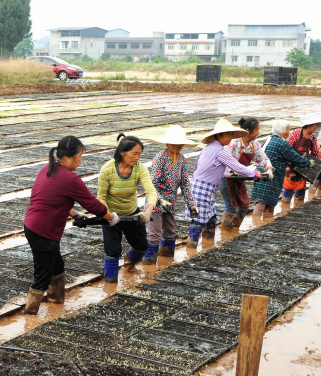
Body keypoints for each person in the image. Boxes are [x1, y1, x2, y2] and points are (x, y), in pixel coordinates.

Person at [22, 135, 114, 312]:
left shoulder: (47, 169)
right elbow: (93, 205)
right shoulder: (71, 179)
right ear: (69, 156)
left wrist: (73, 213)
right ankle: (29, 315)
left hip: (31, 226)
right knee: (42, 276)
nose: (80, 160)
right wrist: (112, 218)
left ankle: (56, 302)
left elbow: (49, 198)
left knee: (57, 266)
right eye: (80, 156)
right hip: (44, 232)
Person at [187, 118, 261, 249]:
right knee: (197, 222)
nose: (230, 137)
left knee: (211, 219)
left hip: (198, 187)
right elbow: (237, 166)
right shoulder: (221, 151)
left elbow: (199, 166)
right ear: (219, 135)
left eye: (231, 135)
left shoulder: (208, 148)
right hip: (203, 190)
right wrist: (254, 173)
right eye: (227, 134)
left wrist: (223, 174)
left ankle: (207, 247)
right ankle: (190, 251)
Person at [97, 134, 156, 283]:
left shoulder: (139, 168)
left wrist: (148, 211)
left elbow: (151, 190)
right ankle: (110, 285)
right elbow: (101, 197)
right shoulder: (107, 169)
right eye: (134, 153)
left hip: (131, 212)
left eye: (139, 154)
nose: (137, 157)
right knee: (112, 252)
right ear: (122, 152)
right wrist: (107, 215)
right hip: (111, 216)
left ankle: (129, 266)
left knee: (142, 246)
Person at [146, 125, 196, 262]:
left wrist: (191, 204)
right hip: (155, 201)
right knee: (155, 235)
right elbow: (152, 185)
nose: (177, 146)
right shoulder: (160, 158)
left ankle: (166, 263)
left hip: (171, 202)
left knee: (170, 233)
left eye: (180, 143)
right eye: (174, 142)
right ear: (168, 142)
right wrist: (161, 200)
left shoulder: (182, 159)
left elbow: (185, 183)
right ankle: (148, 267)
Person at [251, 119, 313, 216]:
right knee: (261, 205)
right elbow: (294, 157)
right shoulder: (282, 143)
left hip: (263, 173)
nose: (289, 132)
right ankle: (256, 224)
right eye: (288, 129)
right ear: (284, 131)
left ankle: (262, 224)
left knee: (265, 203)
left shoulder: (269, 139)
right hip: (271, 176)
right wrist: (308, 162)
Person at [222, 117, 273, 228]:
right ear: (249, 130)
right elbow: (224, 161)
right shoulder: (233, 143)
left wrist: (268, 169)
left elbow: (262, 158)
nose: (258, 133)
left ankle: (234, 231)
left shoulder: (254, 145)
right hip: (226, 178)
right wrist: (230, 174)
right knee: (230, 207)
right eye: (257, 130)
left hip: (239, 178)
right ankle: (225, 232)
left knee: (244, 206)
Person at [282, 120, 321, 202]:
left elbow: (315, 151)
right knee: (288, 189)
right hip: (291, 165)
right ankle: (285, 207)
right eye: (315, 125)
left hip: (303, 166)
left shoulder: (312, 137)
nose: (316, 127)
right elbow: (287, 149)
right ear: (309, 125)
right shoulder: (295, 134)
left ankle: (298, 203)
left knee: (301, 190)